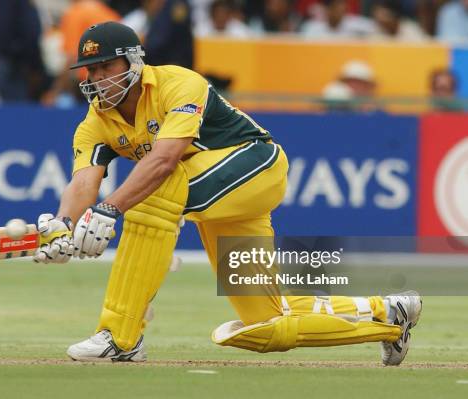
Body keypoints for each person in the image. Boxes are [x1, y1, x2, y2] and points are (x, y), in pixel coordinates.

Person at [32, 21, 422, 365]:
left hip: (256, 165)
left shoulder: (178, 82)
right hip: (218, 203)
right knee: (265, 325)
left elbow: (165, 159)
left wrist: (110, 209)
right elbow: (84, 180)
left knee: (154, 189)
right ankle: (389, 316)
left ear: (134, 62)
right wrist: (63, 225)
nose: (97, 78)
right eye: (91, 70)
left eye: (107, 67)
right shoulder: (94, 122)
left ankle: (119, 336)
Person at [301, 0, 376, 39]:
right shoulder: (311, 29)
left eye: (343, 5)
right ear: (327, 9)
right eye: (336, 6)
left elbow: (376, 31)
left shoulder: (357, 26)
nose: (341, 9)